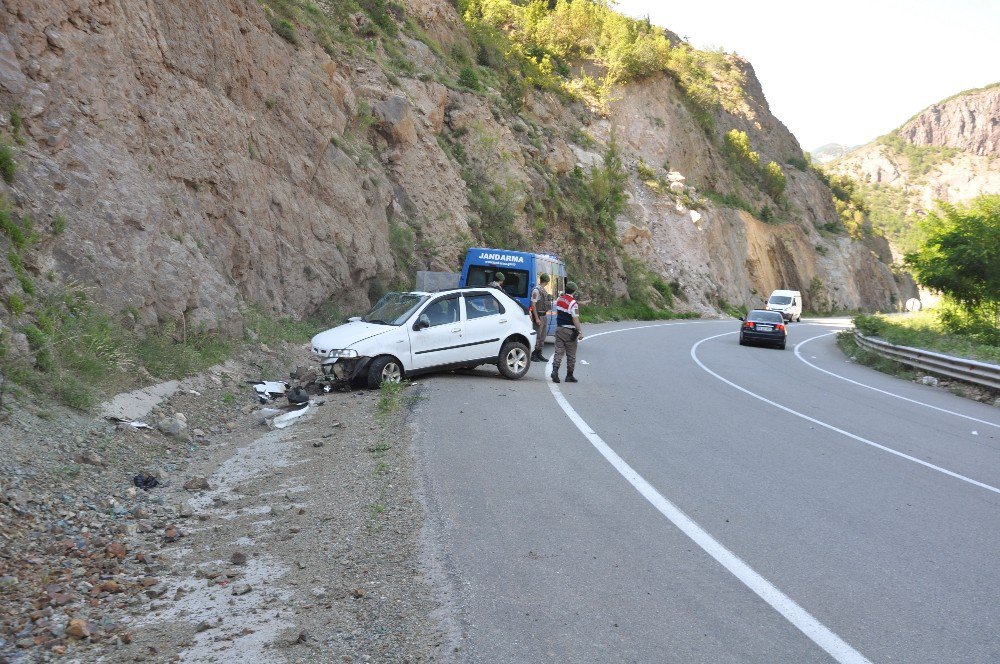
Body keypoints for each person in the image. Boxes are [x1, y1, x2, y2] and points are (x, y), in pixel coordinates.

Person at [551, 281, 583, 383]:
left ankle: (555, 371)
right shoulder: (573, 303)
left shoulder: (559, 299)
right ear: (574, 291)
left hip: (559, 328)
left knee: (558, 352)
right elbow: (575, 319)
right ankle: (569, 375)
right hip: (569, 331)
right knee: (571, 354)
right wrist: (580, 331)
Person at [530, 273, 552, 362]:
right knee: (537, 336)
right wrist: (536, 318)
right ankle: (533, 354)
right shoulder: (536, 290)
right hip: (539, 315)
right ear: (546, 282)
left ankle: (539, 353)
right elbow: (533, 305)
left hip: (544, 315)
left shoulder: (542, 290)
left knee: (542, 336)